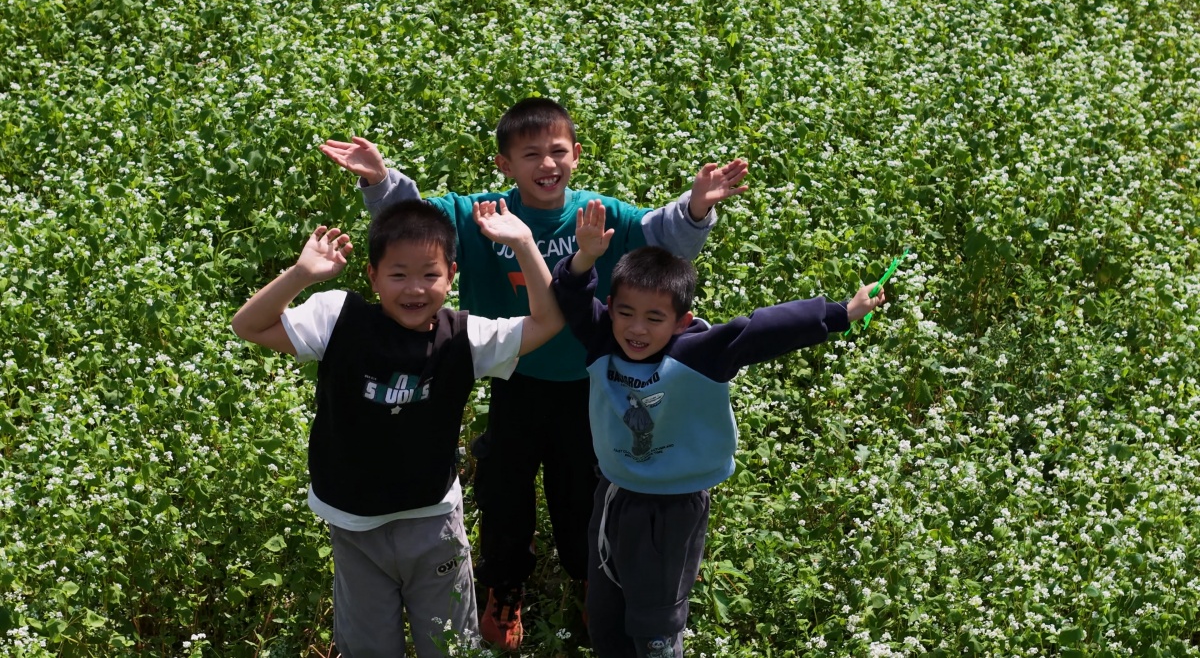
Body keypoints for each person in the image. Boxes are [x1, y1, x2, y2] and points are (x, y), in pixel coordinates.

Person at [320, 97, 749, 649]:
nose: (546, 165)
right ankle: (504, 586)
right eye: (530, 155)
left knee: (585, 493)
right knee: (504, 491)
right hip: (512, 379)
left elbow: (660, 238)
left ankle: (590, 582)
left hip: (590, 384)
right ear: (504, 165)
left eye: (557, 152)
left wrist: (694, 210)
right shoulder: (483, 214)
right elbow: (416, 224)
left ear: (576, 156)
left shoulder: (598, 214)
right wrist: (381, 181)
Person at [551, 201, 887, 658]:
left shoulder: (698, 353)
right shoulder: (602, 338)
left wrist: (840, 313)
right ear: (610, 309)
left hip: (673, 507)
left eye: (654, 319)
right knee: (607, 608)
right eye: (626, 312)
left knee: (655, 624)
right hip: (614, 494)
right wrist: (585, 257)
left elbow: (761, 330)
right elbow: (569, 295)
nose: (636, 329)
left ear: (681, 322)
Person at [230, 198, 563, 657]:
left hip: (432, 522)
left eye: (430, 274)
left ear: (451, 274)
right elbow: (247, 324)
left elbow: (548, 322)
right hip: (354, 525)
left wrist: (524, 242)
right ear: (372, 275)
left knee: (450, 646)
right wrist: (302, 273)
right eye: (398, 274)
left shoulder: (464, 336)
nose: (415, 289)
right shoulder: (337, 318)